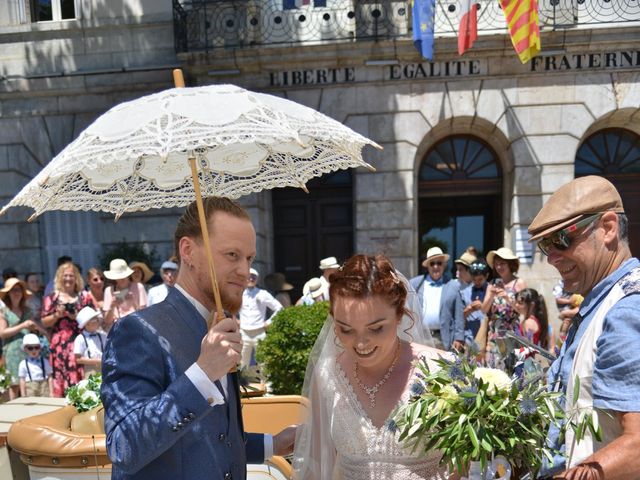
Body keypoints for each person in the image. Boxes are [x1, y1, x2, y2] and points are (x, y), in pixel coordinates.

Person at [101, 196, 296, 480]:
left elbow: (210, 439)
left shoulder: (218, 327)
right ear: (188, 251)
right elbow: (123, 446)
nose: (244, 270)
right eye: (232, 255)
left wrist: (272, 444)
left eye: (249, 258)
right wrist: (202, 375)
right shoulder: (138, 331)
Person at [292, 254, 448, 479]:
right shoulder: (327, 374)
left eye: (376, 328)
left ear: (399, 315)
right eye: (346, 329)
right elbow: (315, 466)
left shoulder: (440, 370)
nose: (361, 344)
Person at [528, 176, 640, 479]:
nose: (551, 257)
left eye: (561, 239)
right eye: (544, 244)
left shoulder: (627, 308)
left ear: (607, 228)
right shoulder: (602, 303)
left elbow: (637, 445)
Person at [41, 262, 93, 397]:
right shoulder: (52, 297)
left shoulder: (84, 296)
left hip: (81, 341)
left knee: (81, 376)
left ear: (76, 278)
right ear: (59, 277)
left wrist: (76, 316)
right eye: (65, 275)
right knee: (61, 375)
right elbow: (45, 322)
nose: (68, 278)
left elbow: (93, 319)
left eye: (71, 275)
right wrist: (57, 315)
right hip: (60, 344)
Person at [0, 278, 47, 399]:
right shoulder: (4, 312)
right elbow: (2, 333)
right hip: (12, 353)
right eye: (13, 290)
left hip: (29, 351)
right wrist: (23, 325)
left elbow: (36, 325)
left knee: (29, 384)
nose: (17, 293)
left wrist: (44, 333)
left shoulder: (27, 310)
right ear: (8, 294)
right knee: (14, 385)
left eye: (19, 290)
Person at [481, 247, 526, 367]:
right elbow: (483, 310)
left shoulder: (519, 283)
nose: (499, 267)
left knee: (511, 369)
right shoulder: (492, 283)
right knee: (492, 368)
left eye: (502, 263)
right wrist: (491, 295)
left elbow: (524, 310)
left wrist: (508, 298)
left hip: (512, 335)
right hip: (494, 336)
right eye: (496, 264)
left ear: (510, 264)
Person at [238, 268, 283, 369]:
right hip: (244, 332)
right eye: (249, 276)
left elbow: (279, 308)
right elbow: (230, 307)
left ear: (257, 279)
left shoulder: (263, 294)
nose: (251, 279)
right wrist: (234, 320)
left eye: (253, 277)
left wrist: (269, 322)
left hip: (259, 332)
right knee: (242, 362)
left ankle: (266, 384)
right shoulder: (239, 293)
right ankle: (242, 383)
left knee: (263, 361)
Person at [409, 246, 452, 349]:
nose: (436, 266)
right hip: (421, 337)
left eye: (439, 263)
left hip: (443, 338)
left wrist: (459, 338)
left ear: (444, 265)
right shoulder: (415, 283)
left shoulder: (452, 284)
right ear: (427, 266)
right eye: (432, 263)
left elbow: (458, 315)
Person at [440, 251, 477, 352]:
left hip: (477, 336)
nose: (458, 273)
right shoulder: (453, 286)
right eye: (457, 269)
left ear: (470, 271)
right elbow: (451, 313)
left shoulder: (479, 288)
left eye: (461, 270)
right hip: (460, 339)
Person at [102, 258, 148, 332]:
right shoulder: (109, 291)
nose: (121, 278)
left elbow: (145, 315)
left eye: (123, 275)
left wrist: (134, 303)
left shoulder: (139, 287)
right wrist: (112, 306)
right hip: (118, 331)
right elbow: (107, 321)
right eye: (118, 276)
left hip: (136, 328)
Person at [459, 259, 490, 344]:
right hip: (471, 338)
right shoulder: (464, 292)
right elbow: (459, 317)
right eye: (474, 279)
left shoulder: (491, 291)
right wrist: (469, 309)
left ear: (486, 276)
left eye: (480, 279)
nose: (477, 282)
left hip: (489, 337)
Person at [73, 306, 107, 379]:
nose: (98, 321)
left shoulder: (102, 335)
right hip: (90, 369)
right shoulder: (80, 339)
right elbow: (78, 359)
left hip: (104, 367)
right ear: (87, 323)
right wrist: (95, 361)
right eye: (95, 319)